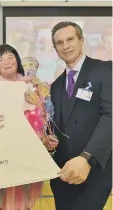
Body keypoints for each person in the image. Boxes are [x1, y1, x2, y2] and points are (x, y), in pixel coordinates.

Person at [0, 44, 58, 210]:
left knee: (22, 198)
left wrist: (39, 94)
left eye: (10, 57)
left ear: (17, 61)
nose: (6, 61)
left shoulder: (29, 85)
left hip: (25, 151)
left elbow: (45, 116)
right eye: (1, 58)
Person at [50, 21, 112, 210]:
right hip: (63, 176)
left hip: (93, 172)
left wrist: (86, 158)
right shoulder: (56, 85)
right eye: (59, 42)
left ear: (81, 40)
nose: (65, 46)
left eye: (70, 39)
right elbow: (58, 126)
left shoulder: (105, 70)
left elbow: (110, 116)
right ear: (55, 48)